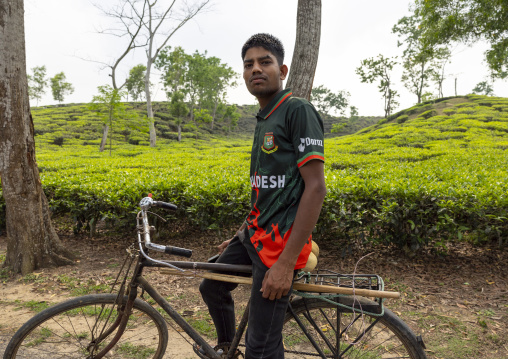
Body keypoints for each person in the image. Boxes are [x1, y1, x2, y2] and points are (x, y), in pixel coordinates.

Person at [199, 33, 326, 359]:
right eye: (248, 64)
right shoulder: (263, 119)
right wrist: (239, 235)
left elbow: (315, 188)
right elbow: (266, 194)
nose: (256, 69)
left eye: (264, 62)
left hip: (279, 247)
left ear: (282, 71)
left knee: (261, 347)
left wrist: (284, 266)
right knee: (212, 286)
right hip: (255, 236)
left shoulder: (297, 111)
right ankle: (228, 350)